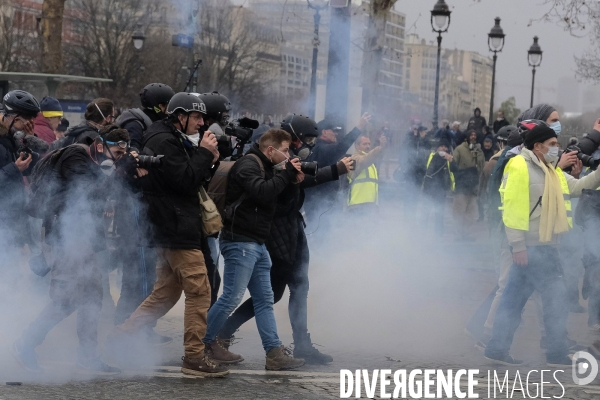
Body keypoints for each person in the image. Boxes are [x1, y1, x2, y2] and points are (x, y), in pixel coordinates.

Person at [214, 116, 354, 365]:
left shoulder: (282, 161)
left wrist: (333, 170)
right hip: (274, 232)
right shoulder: (265, 162)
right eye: (298, 142)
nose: (301, 147)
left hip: (291, 229)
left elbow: (301, 179)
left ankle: (296, 345)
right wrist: (295, 177)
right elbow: (269, 192)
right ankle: (220, 335)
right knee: (270, 293)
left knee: (295, 288)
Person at [113, 92, 228, 377]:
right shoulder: (164, 140)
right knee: (200, 291)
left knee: (165, 294)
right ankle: (194, 357)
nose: (202, 123)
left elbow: (192, 176)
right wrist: (203, 152)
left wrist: (209, 158)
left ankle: (121, 336)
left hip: (173, 225)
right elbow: (185, 181)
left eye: (203, 118)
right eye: (198, 117)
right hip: (175, 227)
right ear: (180, 116)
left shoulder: (171, 138)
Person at [12, 125, 133, 375]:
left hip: (83, 238)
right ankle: (24, 344)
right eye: (117, 153)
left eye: (123, 154)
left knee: (92, 297)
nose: (119, 158)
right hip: (64, 236)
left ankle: (87, 357)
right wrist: (116, 170)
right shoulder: (77, 156)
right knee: (65, 299)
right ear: (100, 146)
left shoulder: (97, 161)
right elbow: (86, 194)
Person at [484, 124, 600, 366]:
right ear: (537, 146)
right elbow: (512, 208)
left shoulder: (550, 169)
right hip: (532, 247)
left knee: (513, 301)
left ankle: (496, 348)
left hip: (542, 246)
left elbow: (577, 187)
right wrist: (518, 247)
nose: (557, 149)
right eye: (553, 144)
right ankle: (556, 353)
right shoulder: (519, 166)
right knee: (555, 299)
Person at [202, 128, 305, 371]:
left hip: (257, 242)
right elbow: (260, 191)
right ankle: (202, 344)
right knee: (230, 297)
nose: (288, 155)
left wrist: (292, 181)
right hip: (240, 241)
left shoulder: (269, 168)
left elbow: (281, 203)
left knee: (264, 300)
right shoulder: (248, 164)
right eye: (285, 150)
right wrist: (285, 174)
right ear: (271, 149)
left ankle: (274, 353)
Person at [112, 84, 175, 339]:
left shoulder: (142, 121)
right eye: (168, 106)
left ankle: (140, 326)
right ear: (159, 105)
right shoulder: (135, 124)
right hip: (133, 204)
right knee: (138, 271)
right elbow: (132, 157)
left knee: (146, 270)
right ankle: (125, 328)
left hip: (140, 203)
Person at [303, 113, 370, 224]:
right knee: (323, 237)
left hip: (316, 202)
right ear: (324, 132)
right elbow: (341, 147)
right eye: (334, 131)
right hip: (321, 204)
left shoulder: (313, 148)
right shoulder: (323, 149)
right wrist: (359, 127)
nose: (336, 134)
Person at [0, 90, 40, 267]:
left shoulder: (11, 138)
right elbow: (11, 172)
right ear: (13, 117)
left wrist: (30, 141)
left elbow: (30, 169)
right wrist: (14, 169)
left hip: (11, 218)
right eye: (26, 121)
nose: (28, 126)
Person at [117, 83, 175, 150]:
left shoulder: (152, 122)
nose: (171, 110)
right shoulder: (134, 125)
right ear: (160, 106)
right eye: (169, 106)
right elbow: (132, 154)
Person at [452, 129, 484, 240]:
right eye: (471, 135)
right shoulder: (460, 149)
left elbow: (482, 167)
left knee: (470, 212)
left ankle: (465, 233)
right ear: (467, 136)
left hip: (473, 185)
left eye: (475, 135)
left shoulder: (479, 151)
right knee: (459, 210)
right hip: (462, 184)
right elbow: (453, 165)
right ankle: (458, 234)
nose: (473, 137)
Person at [51, 98, 116, 150]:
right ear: (108, 118)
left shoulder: (77, 131)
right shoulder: (95, 139)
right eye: (113, 117)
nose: (113, 121)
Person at [421, 139, 455, 236]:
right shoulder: (432, 156)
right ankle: (421, 234)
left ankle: (439, 235)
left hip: (441, 190)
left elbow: (454, 170)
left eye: (445, 146)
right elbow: (427, 170)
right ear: (438, 147)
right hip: (429, 189)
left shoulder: (448, 158)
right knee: (426, 213)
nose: (444, 148)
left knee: (439, 214)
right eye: (442, 146)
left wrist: (451, 160)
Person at [347, 133, 387, 213]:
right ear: (357, 146)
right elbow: (363, 161)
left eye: (369, 144)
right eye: (364, 144)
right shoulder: (353, 159)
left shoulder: (371, 162)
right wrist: (379, 148)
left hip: (370, 206)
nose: (368, 146)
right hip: (357, 207)